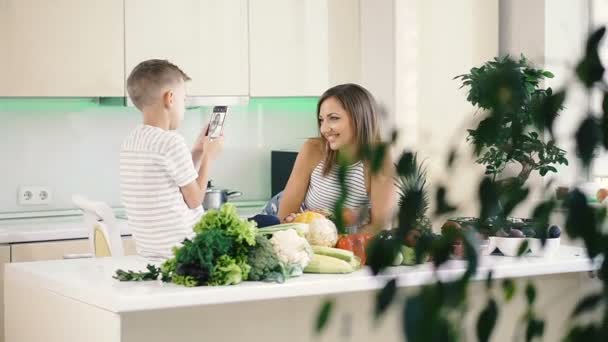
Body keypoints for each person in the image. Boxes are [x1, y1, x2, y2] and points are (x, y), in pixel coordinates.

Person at [120, 59, 223, 261]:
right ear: (170, 98)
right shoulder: (171, 142)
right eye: (184, 101)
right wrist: (210, 156)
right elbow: (194, 200)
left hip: (151, 252)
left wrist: (197, 150)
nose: (184, 108)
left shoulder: (131, 141)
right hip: (186, 251)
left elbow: (175, 179)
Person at [276, 83, 396, 233]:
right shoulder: (312, 149)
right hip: (285, 221)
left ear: (359, 118)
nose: (324, 129)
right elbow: (283, 219)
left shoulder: (380, 156)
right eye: (321, 120)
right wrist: (351, 216)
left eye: (333, 118)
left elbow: (380, 227)